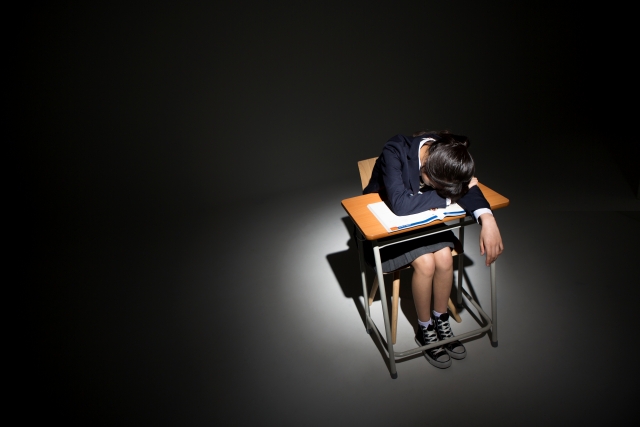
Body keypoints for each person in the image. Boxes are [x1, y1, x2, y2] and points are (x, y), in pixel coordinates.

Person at [363, 130, 503, 369]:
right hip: (385, 225)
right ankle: (424, 328)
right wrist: (451, 198)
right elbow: (400, 205)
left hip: (422, 222)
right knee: (426, 263)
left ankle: (441, 319)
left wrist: (488, 219)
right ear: (427, 168)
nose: (449, 190)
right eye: (442, 187)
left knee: (445, 258)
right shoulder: (395, 150)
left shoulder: (444, 149)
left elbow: (466, 185)